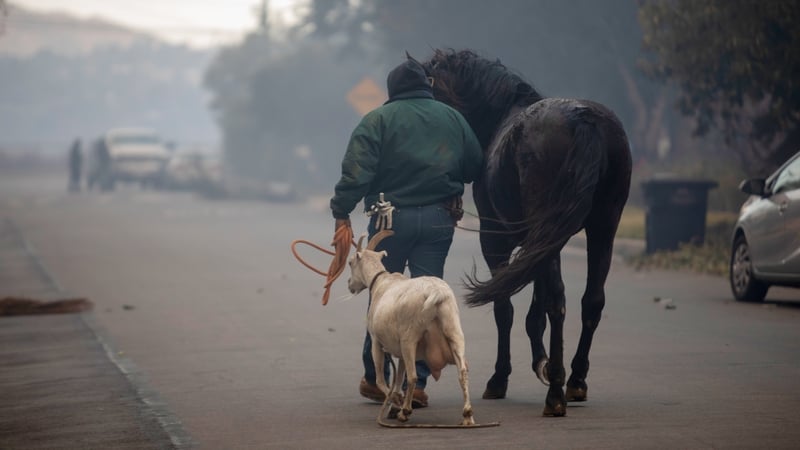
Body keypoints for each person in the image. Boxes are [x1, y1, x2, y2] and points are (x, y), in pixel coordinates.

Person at [330, 56, 483, 408]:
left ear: (392, 90)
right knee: (427, 298)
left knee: (383, 295)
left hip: (388, 223)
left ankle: (375, 377)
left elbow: (356, 173)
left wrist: (341, 212)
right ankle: (417, 385)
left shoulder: (377, 120)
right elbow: (475, 165)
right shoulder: (453, 118)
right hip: (438, 220)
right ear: (427, 86)